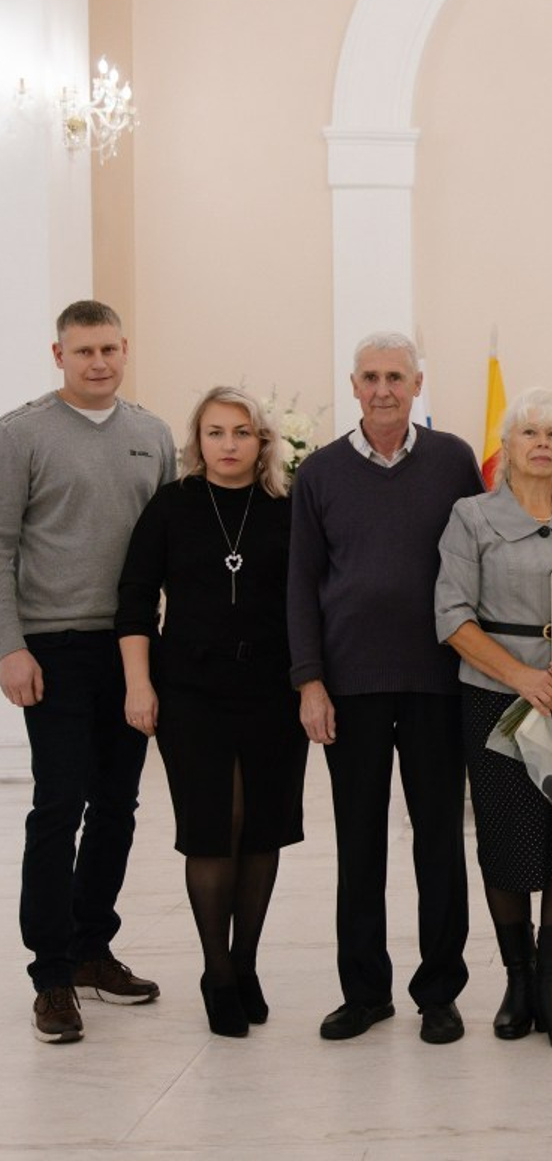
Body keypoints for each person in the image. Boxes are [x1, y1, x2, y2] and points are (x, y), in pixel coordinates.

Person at [288, 331, 483, 1044]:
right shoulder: (321, 474)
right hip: (352, 687)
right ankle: (365, 992)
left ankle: (440, 992)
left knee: (438, 842)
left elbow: (479, 561)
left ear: (418, 383)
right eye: (370, 376)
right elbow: (301, 586)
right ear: (353, 384)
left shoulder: (454, 460)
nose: (383, 389)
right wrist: (310, 681)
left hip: (439, 682)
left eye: (395, 376)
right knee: (360, 844)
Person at [0, 300, 175, 1043]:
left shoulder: (152, 434)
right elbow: (0, 546)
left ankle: (91, 949)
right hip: (52, 646)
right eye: (83, 352)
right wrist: (10, 646)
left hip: (132, 647)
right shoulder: (21, 433)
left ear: (125, 349)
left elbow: (170, 549)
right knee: (57, 805)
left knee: (118, 806)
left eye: (109, 349)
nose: (98, 363)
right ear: (58, 354)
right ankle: (49, 973)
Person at [116, 386, 309, 1037]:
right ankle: (217, 972)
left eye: (241, 433)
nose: (227, 444)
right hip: (190, 688)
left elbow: (311, 601)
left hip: (273, 687)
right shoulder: (171, 506)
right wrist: (138, 686)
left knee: (261, 828)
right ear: (197, 441)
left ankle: (246, 962)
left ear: (263, 442)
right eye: (215, 432)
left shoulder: (287, 509)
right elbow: (136, 600)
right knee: (213, 825)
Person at [436, 388, 552, 1053]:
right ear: (507, 446)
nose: (542, 443)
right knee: (510, 839)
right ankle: (516, 981)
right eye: (530, 432)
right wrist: (522, 678)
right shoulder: (471, 516)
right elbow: (451, 614)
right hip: (500, 695)